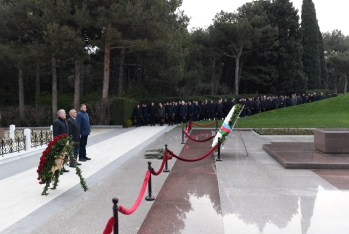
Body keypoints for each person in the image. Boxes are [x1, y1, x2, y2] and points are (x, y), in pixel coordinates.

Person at [52, 109, 69, 173]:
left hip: (65, 140)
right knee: (59, 156)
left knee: (64, 155)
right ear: (60, 114)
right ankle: (58, 169)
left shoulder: (65, 121)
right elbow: (55, 133)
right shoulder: (56, 122)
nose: (65, 114)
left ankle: (62, 167)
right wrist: (57, 141)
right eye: (64, 113)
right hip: (60, 141)